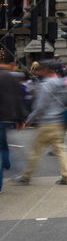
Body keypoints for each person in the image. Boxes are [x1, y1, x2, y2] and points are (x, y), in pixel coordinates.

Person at [15, 63, 67, 185]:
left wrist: (29, 120)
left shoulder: (46, 85)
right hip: (59, 121)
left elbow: (40, 107)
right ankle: (66, 175)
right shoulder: (61, 83)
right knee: (61, 150)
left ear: (47, 70)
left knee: (35, 150)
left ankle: (26, 176)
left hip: (47, 123)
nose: (39, 72)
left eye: (41, 69)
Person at [0, 60, 26, 192]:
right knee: (3, 145)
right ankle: (8, 163)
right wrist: (20, 119)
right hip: (7, 117)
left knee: (2, 145)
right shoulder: (10, 76)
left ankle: (6, 164)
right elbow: (17, 99)